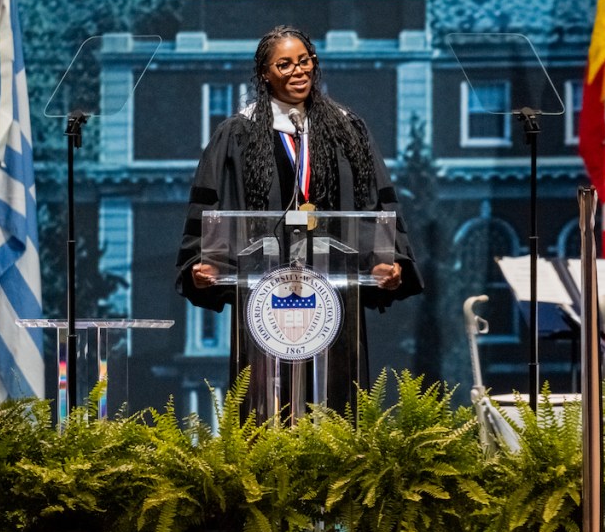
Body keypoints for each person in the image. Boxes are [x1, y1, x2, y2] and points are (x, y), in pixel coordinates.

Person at [176, 25, 422, 413]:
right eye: (285, 64)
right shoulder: (238, 134)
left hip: (334, 296)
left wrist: (385, 260)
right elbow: (212, 208)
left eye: (304, 61)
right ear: (264, 74)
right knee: (267, 406)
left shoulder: (346, 130)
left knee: (335, 407)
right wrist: (204, 263)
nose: (298, 71)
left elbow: (375, 203)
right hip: (264, 298)